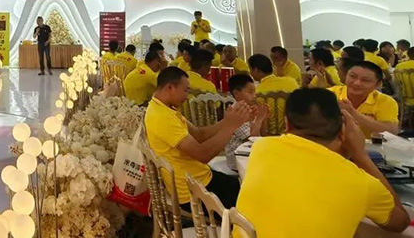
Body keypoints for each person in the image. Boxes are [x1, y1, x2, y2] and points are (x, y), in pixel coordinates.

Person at [236, 89, 410, 238]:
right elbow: (400, 222)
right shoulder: (362, 183)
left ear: (287, 124)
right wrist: (361, 156)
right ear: (343, 128)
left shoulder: (262, 148)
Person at [145, 67, 251, 208]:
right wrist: (230, 127)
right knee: (251, 201)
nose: (187, 96)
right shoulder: (161, 117)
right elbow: (203, 154)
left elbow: (199, 134)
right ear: (170, 87)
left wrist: (228, 121)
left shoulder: (163, 109)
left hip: (200, 178)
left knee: (247, 186)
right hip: (193, 192)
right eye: (185, 90)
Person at [329, 60, 399, 138]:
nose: (357, 83)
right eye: (352, 76)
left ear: (378, 84)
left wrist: (353, 113)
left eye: (365, 80)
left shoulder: (386, 101)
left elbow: (391, 131)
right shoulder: (330, 94)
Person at [224, 74, 268, 171]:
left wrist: (263, 119)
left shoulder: (251, 108)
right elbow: (251, 140)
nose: (254, 95)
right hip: (237, 158)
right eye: (250, 92)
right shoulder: (235, 112)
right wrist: (259, 120)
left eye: (254, 92)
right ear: (236, 94)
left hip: (250, 153)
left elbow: (263, 135)